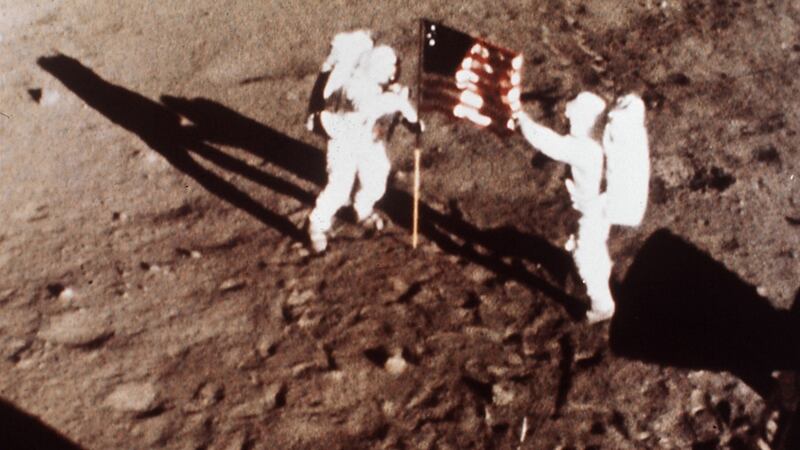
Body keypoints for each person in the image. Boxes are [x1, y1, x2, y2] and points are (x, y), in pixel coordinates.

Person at [517, 92, 640, 323]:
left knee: (585, 255)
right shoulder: (599, 141)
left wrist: (521, 118)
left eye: (572, 118)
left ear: (584, 119)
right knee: (594, 245)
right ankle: (601, 268)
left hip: (593, 212)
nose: (568, 120)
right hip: (602, 206)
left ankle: (603, 306)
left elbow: (549, 143)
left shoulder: (584, 149)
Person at [306, 30, 421, 253]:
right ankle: (316, 225)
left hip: (368, 139)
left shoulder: (382, 89)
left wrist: (410, 118)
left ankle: (363, 209)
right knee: (339, 187)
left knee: (376, 178)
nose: (393, 73)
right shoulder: (355, 86)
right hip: (344, 140)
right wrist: (402, 105)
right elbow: (374, 105)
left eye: (393, 69)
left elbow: (390, 106)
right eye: (388, 69)